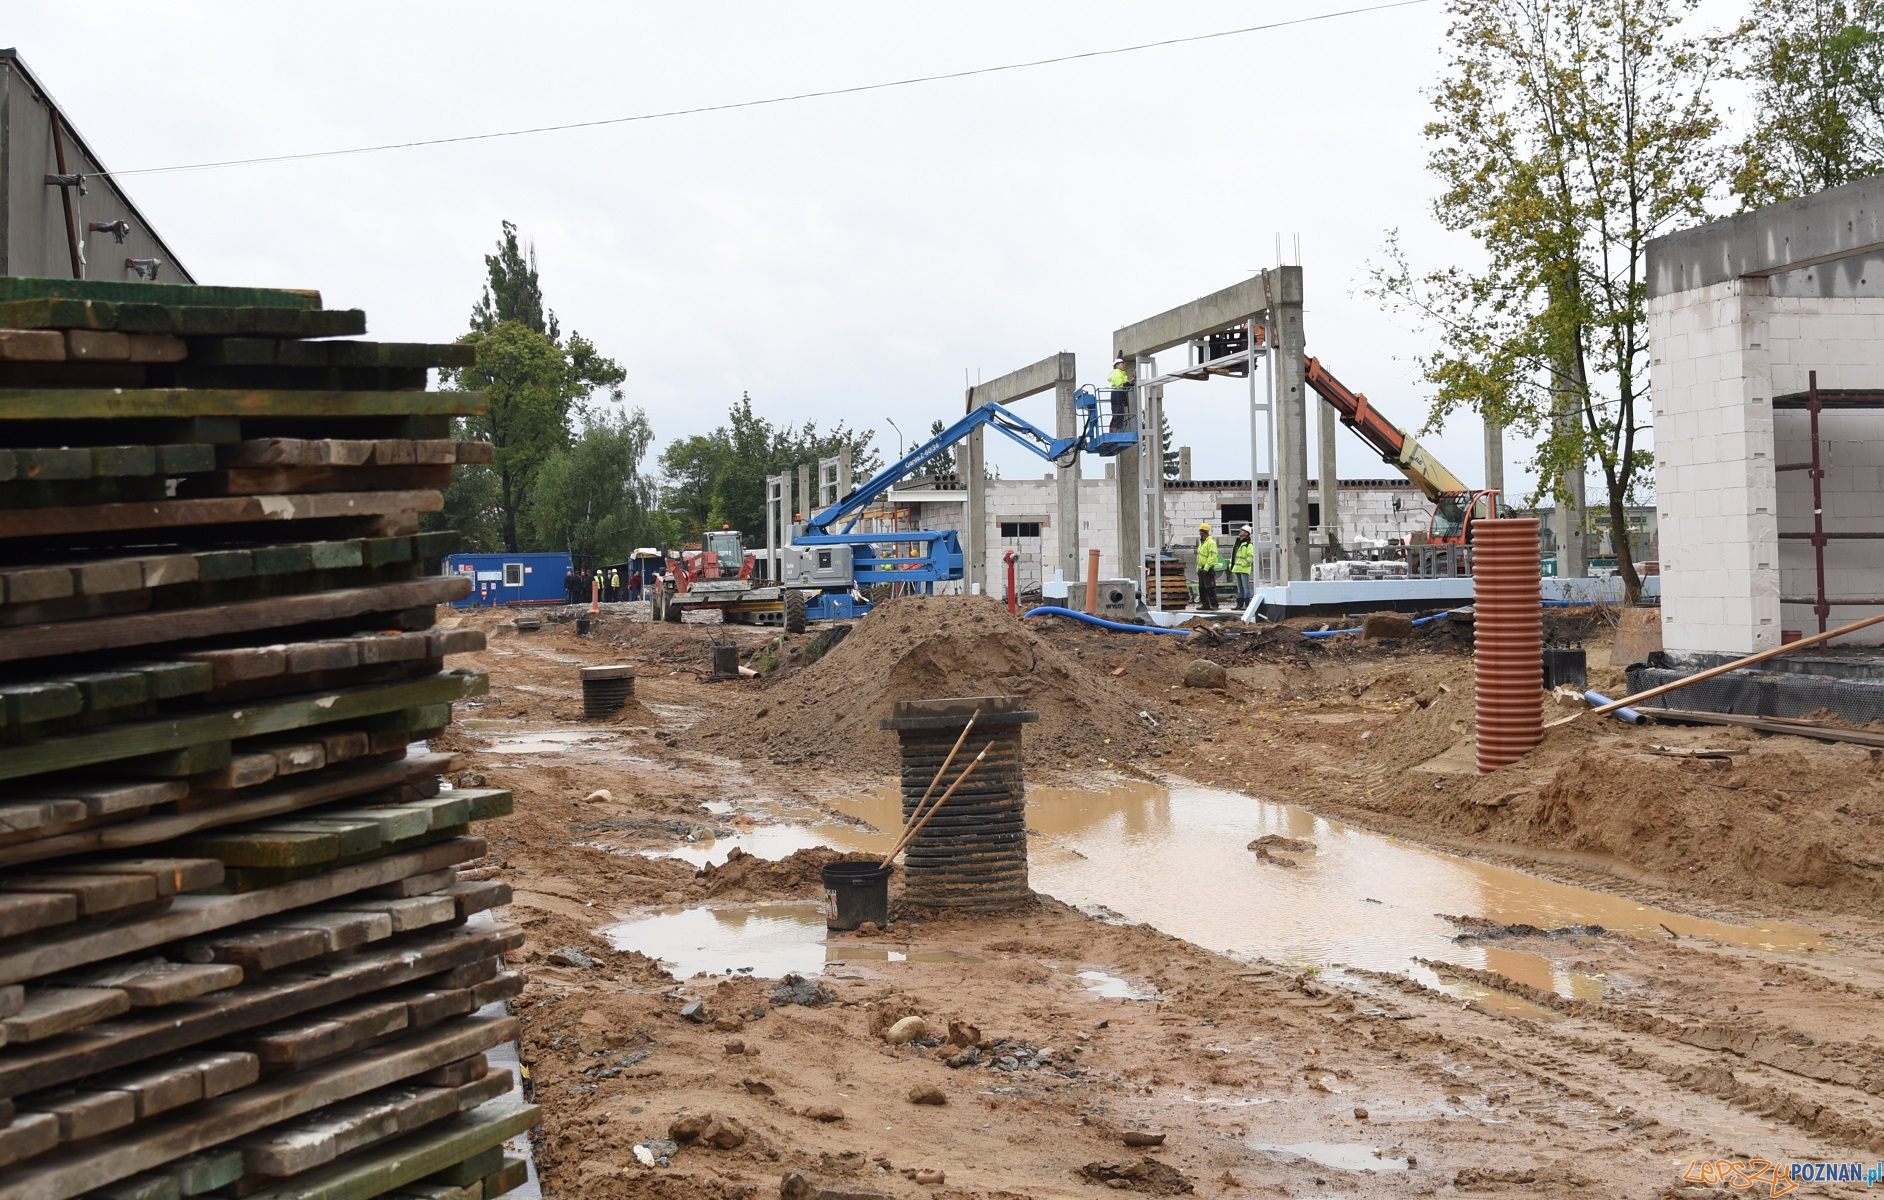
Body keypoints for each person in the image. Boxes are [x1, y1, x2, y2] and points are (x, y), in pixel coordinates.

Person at [1194, 522, 1222, 610]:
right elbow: (1199, 558)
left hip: (1208, 569)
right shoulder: (1202, 543)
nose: (1199, 532)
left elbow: (1212, 557)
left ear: (1204, 532)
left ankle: (1214, 605)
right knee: (1202, 588)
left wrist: (1206, 568)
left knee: (1210, 588)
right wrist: (1198, 569)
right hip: (1202, 569)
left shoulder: (1211, 543)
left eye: (1200, 531)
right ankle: (1205, 605)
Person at [1231, 524, 1255, 607]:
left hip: (1244, 568)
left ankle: (1247, 605)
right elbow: (1234, 555)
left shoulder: (1249, 545)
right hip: (1237, 568)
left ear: (1247, 533)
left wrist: (1243, 563)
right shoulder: (1238, 543)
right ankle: (1239, 605)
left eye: (1243, 531)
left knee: (1246, 587)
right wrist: (1232, 565)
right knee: (1240, 587)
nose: (1240, 532)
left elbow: (1251, 556)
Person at [1106, 358, 1132, 431]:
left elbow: (1125, 386)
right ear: (1117, 365)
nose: (1124, 365)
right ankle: (1113, 435)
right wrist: (1130, 382)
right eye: (1122, 364)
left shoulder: (1121, 374)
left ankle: (1112, 435)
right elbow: (1121, 386)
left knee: (1116, 417)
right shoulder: (1117, 373)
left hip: (1118, 396)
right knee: (1118, 418)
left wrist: (1131, 382)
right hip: (1118, 396)